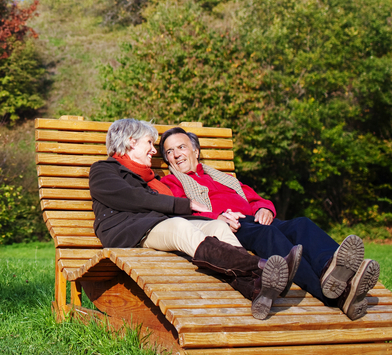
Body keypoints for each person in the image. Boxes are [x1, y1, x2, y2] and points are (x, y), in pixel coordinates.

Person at [158, 126, 380, 320]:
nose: (176, 154)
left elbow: (255, 198)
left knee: (301, 224)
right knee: (270, 237)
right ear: (167, 160)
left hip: (256, 218)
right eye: (169, 151)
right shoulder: (171, 182)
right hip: (235, 227)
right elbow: (182, 212)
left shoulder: (221, 176)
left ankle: (332, 267)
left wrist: (265, 208)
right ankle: (337, 296)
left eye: (181, 147)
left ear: (195, 151)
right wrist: (216, 218)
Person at [89, 118, 301, 320]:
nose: (154, 151)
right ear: (130, 142)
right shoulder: (103, 170)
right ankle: (263, 268)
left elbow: (156, 205)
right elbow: (131, 198)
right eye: (149, 143)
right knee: (180, 227)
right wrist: (185, 204)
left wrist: (217, 216)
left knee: (217, 226)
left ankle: (256, 289)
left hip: (156, 224)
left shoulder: (150, 180)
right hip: (130, 231)